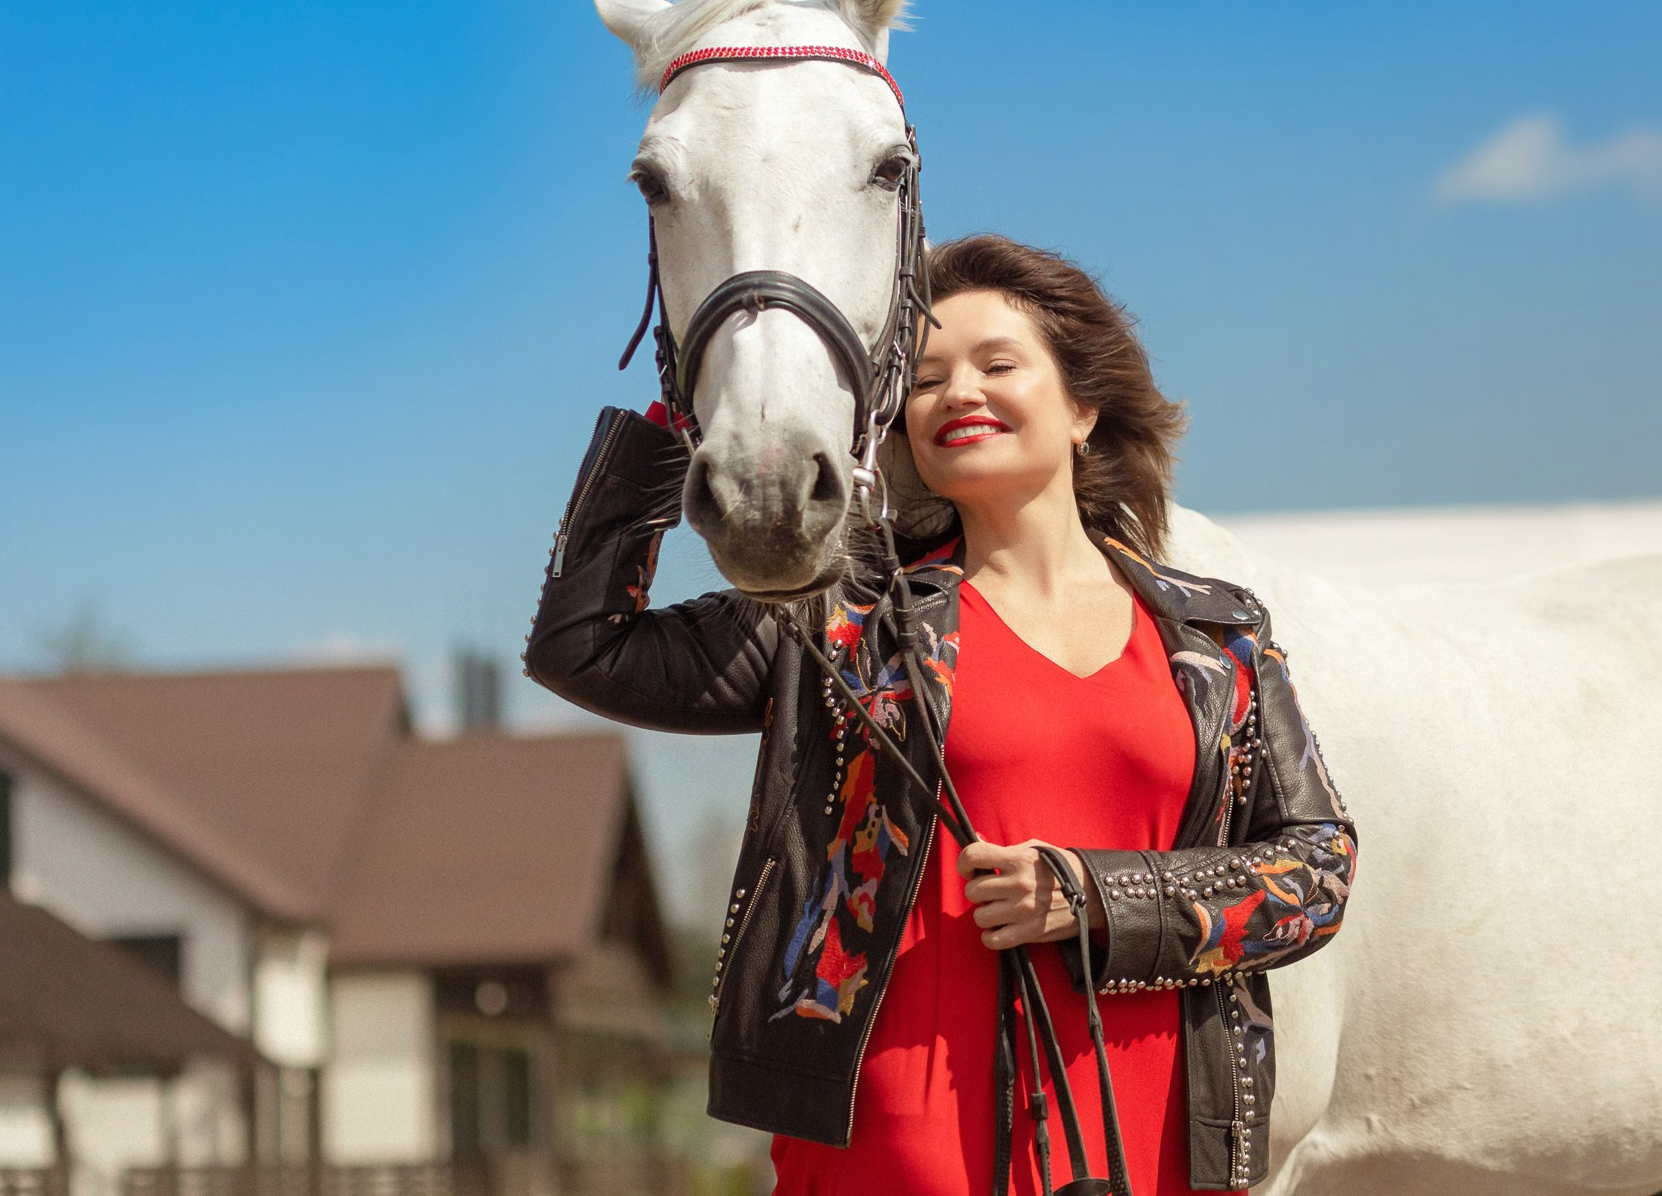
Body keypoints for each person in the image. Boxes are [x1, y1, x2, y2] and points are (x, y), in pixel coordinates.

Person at [523, 233, 1356, 1194]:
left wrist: (1096, 898)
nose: (959, 392)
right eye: (923, 379)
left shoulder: (1218, 636)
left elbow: (1317, 873)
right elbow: (584, 643)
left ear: (1085, 406)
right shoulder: (844, 615)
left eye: (997, 364)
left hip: (1162, 1121)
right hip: (906, 1127)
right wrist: (692, 413)